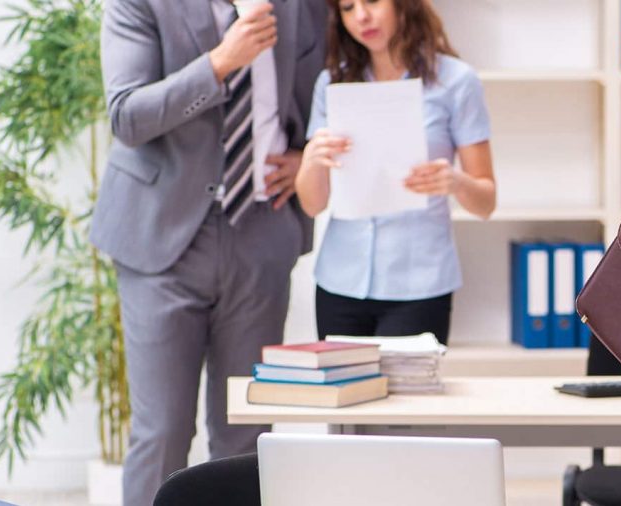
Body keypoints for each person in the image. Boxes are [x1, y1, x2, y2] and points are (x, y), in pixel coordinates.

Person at [94, 0, 325, 503]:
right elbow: (127, 115)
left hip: (261, 232)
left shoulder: (301, 7)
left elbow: (324, 95)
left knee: (246, 433)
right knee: (163, 433)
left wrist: (303, 153)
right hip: (162, 238)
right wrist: (221, 61)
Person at [294, 0, 496, 345]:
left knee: (407, 399)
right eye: (347, 8)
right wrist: (311, 160)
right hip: (340, 281)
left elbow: (486, 202)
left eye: (372, 1)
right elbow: (313, 205)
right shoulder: (332, 82)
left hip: (418, 284)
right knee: (344, 397)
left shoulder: (456, 81)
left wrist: (455, 181)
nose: (361, 16)